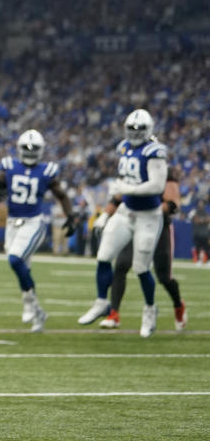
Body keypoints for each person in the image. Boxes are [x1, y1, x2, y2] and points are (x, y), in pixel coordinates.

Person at [78, 109, 167, 338]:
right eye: (132, 129)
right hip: (126, 211)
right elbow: (122, 185)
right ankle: (101, 302)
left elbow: (157, 186)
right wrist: (106, 213)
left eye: (139, 129)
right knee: (103, 256)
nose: (135, 133)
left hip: (148, 215)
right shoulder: (124, 147)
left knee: (140, 267)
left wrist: (129, 189)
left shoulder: (154, 152)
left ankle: (149, 310)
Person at [0, 130, 76, 332]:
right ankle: (38, 313)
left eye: (33, 148)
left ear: (41, 150)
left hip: (34, 223)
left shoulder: (46, 171)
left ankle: (28, 303)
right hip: (12, 223)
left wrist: (70, 217)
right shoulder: (9, 166)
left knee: (15, 260)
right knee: (21, 268)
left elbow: (62, 195)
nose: (29, 151)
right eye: (26, 148)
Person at [99, 162, 187, 331]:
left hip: (158, 224)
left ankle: (178, 305)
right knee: (121, 265)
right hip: (134, 222)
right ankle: (114, 313)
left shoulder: (164, 171)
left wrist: (149, 209)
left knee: (164, 277)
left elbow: (173, 203)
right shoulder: (132, 168)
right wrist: (104, 215)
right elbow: (117, 198)